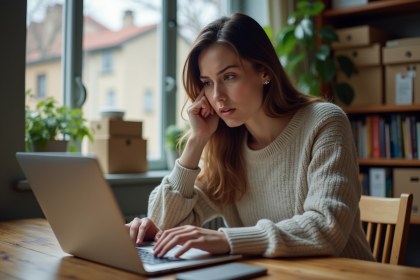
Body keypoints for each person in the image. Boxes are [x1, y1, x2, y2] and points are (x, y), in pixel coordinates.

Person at [125, 13, 375, 262]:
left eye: (229, 77)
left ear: (264, 71)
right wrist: (196, 141)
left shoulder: (324, 122)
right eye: (208, 83)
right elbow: (162, 224)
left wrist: (227, 240)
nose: (218, 96)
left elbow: (327, 228)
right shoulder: (228, 147)